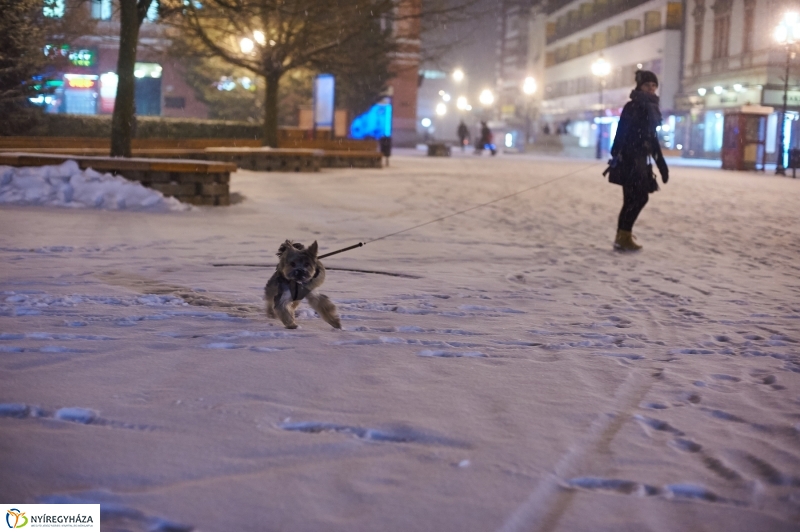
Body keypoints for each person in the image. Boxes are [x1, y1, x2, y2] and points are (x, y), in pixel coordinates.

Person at [607, 70, 668, 251]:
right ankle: (623, 235)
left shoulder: (652, 108)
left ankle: (623, 236)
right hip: (631, 159)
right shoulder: (633, 106)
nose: (651, 88)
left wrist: (661, 164)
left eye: (653, 85)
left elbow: (653, 138)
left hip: (641, 159)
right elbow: (622, 131)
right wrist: (619, 151)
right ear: (640, 86)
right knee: (639, 197)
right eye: (647, 85)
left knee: (633, 199)